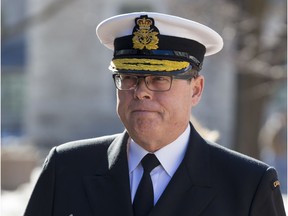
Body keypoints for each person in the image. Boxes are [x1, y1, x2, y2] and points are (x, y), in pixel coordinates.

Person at [24, 12, 286, 216]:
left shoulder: (247, 184)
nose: (141, 92)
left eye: (159, 79)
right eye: (128, 77)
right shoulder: (67, 168)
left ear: (196, 90)